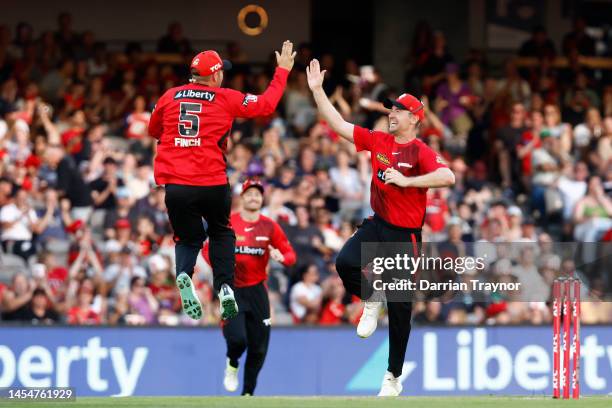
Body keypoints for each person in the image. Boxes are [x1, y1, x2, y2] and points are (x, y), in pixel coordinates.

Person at [306, 59, 455, 396]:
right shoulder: (378, 141)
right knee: (344, 262)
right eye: (391, 109)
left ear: (414, 118)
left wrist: (407, 179)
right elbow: (340, 124)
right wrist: (318, 91)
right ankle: (372, 296)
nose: (392, 114)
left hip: (406, 236)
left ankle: (393, 376)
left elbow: (448, 176)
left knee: (402, 310)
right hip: (378, 224)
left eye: (399, 111)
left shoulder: (421, 151)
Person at [149, 41, 296, 320]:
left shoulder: (169, 97)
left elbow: (153, 128)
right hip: (213, 183)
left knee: (187, 238)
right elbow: (266, 105)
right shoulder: (225, 97)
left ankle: (183, 274)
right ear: (215, 75)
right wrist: (282, 71)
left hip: (177, 186)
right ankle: (225, 285)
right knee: (221, 232)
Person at [202, 178, 296, 395]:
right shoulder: (228, 223)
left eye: (257, 194)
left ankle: (247, 395)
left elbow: (290, 255)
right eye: (249, 193)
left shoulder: (270, 226)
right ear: (242, 198)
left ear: (262, 199)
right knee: (237, 339)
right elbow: (208, 250)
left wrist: (281, 257)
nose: (254, 197)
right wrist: (221, 267)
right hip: (231, 290)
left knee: (259, 347)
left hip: (257, 291)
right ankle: (232, 363)